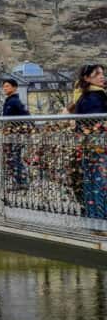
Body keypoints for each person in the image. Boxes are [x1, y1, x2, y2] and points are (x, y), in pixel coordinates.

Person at [72, 64, 107, 218]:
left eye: (102, 73)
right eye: (97, 74)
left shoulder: (84, 96)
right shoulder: (95, 97)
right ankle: (101, 217)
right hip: (99, 146)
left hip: (88, 147)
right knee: (100, 183)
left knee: (91, 182)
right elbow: (97, 124)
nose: (102, 76)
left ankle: (94, 218)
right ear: (87, 78)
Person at [1, 77, 30, 189]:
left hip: (15, 134)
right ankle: (19, 181)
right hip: (11, 134)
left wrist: (22, 129)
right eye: (4, 86)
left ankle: (22, 181)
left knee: (15, 158)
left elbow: (25, 115)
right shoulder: (10, 101)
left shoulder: (14, 101)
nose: (5, 88)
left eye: (7, 86)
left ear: (14, 87)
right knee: (13, 158)